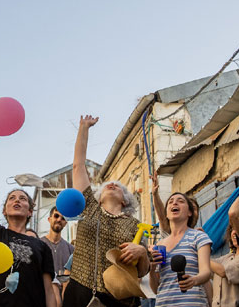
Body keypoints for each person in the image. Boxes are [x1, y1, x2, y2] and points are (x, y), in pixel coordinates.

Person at [63, 115, 150, 307]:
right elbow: (78, 166)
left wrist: (142, 252)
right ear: (99, 198)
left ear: (125, 200)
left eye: (118, 186)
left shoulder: (135, 225)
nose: (111, 184)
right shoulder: (89, 206)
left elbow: (143, 271)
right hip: (80, 292)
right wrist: (83, 128)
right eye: (106, 186)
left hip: (119, 298)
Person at [0, 127, 56, 307]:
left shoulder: (42, 247)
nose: (17, 200)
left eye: (22, 199)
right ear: (4, 211)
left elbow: (48, 290)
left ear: (30, 211)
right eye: (12, 198)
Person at [149, 192, 212, 306]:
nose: (175, 203)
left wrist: (194, 280)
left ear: (189, 213)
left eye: (181, 201)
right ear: (166, 214)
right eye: (170, 202)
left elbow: (206, 272)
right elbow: (156, 289)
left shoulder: (199, 236)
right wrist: (152, 269)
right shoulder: (160, 245)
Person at [210, 228, 239, 307]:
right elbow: (208, 267)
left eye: (237, 229)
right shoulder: (226, 258)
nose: (234, 232)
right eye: (232, 229)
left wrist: (202, 256)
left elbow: (223, 271)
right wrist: (202, 242)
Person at [41, 207, 75, 295]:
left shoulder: (71, 249)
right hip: (43, 295)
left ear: (65, 223)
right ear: (49, 219)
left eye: (63, 218)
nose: (59, 220)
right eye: (56, 216)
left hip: (64, 296)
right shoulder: (39, 245)